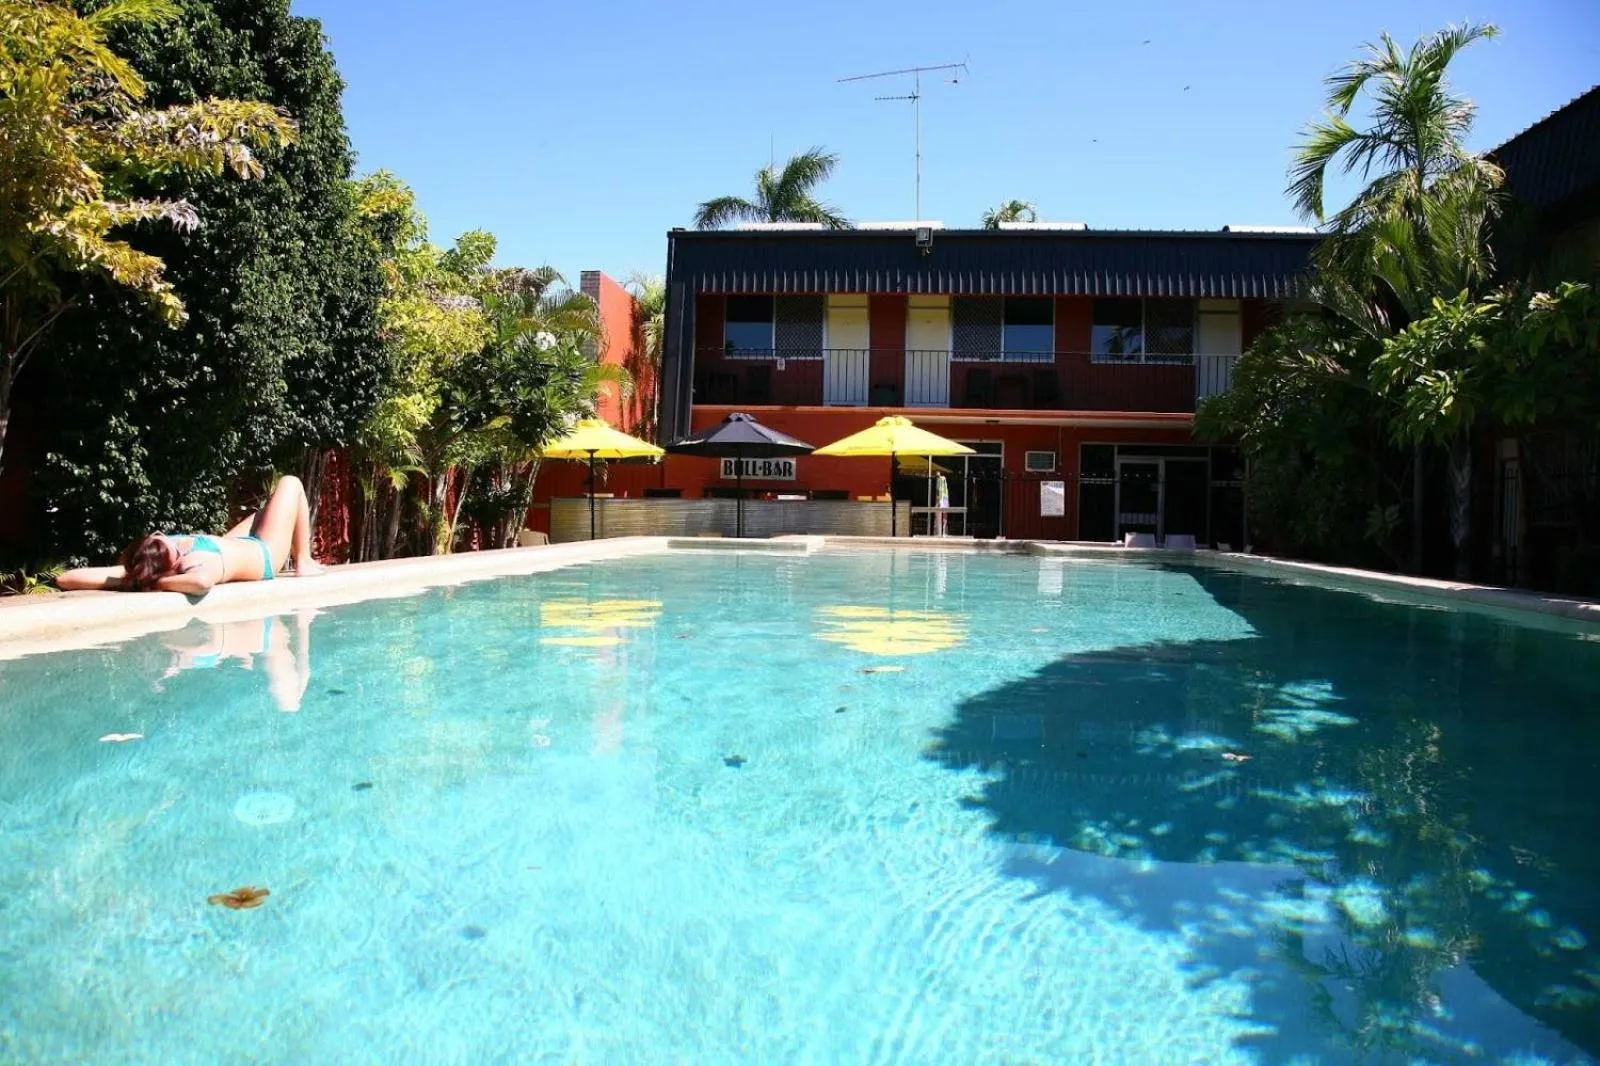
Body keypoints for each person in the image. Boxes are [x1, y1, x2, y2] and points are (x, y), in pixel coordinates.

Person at [57, 475, 323, 594]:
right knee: (291, 483)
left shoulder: (147, 562)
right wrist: (157, 583)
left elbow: (66, 578)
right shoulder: (195, 563)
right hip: (264, 554)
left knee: (269, 508)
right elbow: (201, 584)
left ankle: (302, 558)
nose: (164, 535)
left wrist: (135, 580)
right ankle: (303, 561)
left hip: (239, 542)